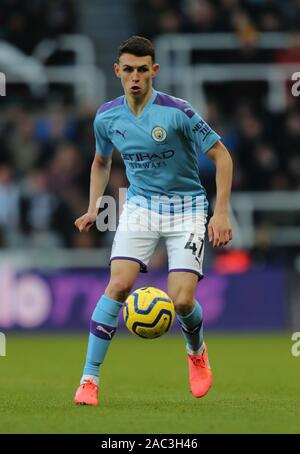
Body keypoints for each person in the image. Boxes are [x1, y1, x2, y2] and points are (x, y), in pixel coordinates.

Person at [73, 36, 233, 406]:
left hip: (187, 208)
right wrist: (94, 207)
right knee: (118, 285)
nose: (135, 77)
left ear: (154, 71)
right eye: (128, 70)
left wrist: (220, 211)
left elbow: (222, 156)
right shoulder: (107, 116)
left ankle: (196, 352)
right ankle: (89, 379)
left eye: (142, 70)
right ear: (117, 71)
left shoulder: (178, 111)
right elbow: (101, 161)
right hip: (141, 206)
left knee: (180, 300)